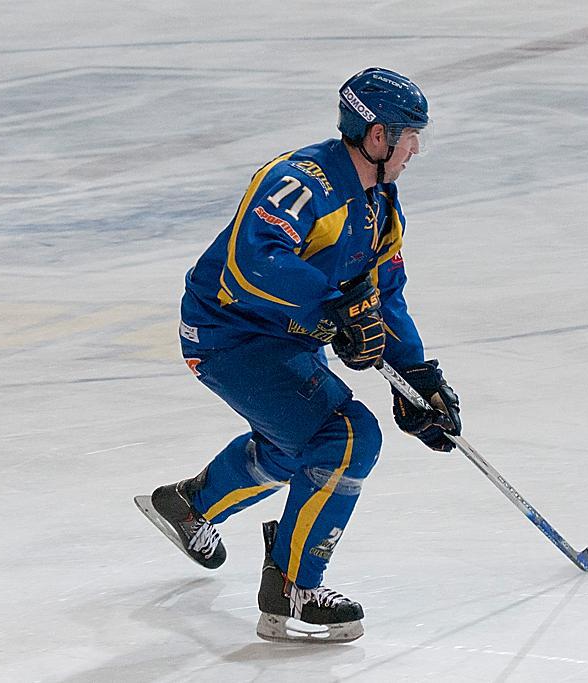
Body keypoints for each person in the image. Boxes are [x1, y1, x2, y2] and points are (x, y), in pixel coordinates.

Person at [135, 67, 462, 643]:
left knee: (299, 443)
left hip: (286, 336)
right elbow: (254, 261)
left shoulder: (382, 206)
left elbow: (384, 296)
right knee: (345, 436)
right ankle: (293, 588)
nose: (415, 148)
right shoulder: (298, 182)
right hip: (230, 334)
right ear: (378, 136)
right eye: (410, 135)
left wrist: (415, 377)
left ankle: (188, 506)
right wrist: (333, 306)